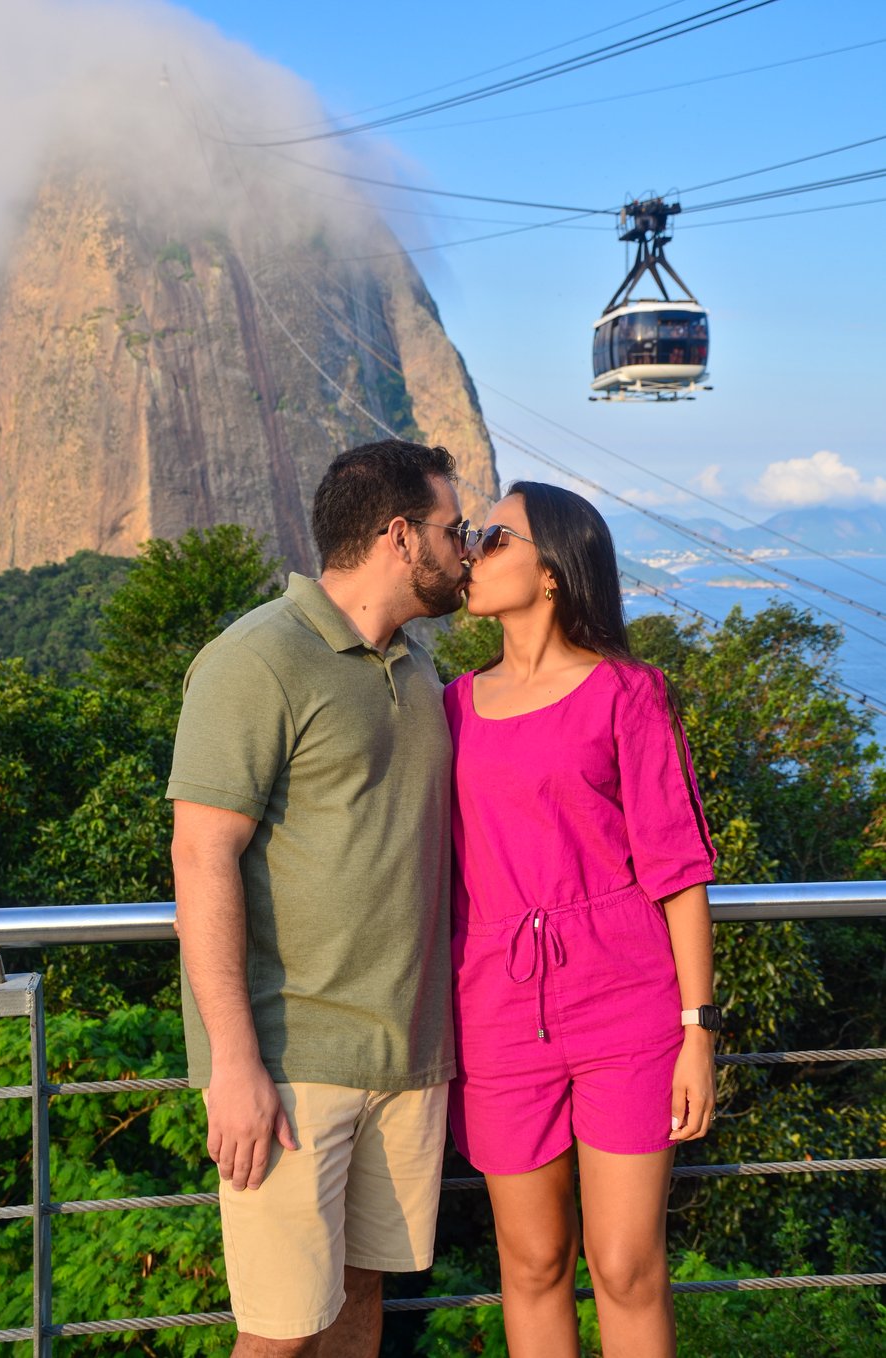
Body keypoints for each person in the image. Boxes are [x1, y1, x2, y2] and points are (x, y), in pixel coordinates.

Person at [167, 439, 474, 1358]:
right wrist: (235, 1066)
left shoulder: (419, 671)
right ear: (397, 535)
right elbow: (200, 856)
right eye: (454, 530)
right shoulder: (255, 659)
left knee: (357, 1310)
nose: (467, 549)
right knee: (279, 1333)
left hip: (407, 1059)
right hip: (292, 1062)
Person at [444, 482, 719, 1358]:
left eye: (494, 537)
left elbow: (676, 870)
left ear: (553, 570)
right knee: (530, 1262)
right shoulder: (448, 705)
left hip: (626, 1004)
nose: (473, 550)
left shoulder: (627, 694)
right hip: (494, 1009)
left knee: (627, 1263)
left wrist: (699, 1032)